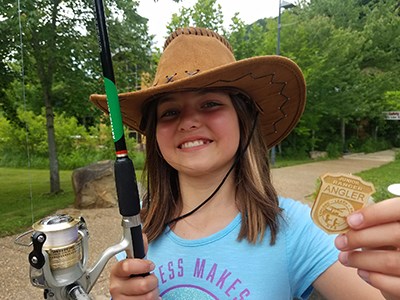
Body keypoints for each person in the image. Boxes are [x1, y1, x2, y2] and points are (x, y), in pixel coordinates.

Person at [90, 27, 400, 299]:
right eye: (169, 112)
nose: (189, 122)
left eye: (210, 104)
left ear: (244, 119)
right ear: (154, 135)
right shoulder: (139, 233)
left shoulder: (296, 230)